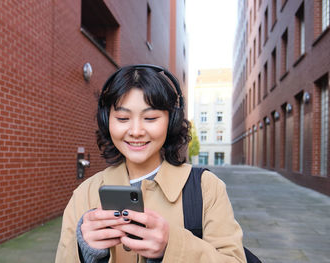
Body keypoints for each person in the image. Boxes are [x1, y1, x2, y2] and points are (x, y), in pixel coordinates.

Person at [55, 65, 245, 263]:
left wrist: (172, 247)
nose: (136, 131)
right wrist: (86, 252)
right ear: (106, 121)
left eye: (150, 118)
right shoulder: (85, 193)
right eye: (122, 118)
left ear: (171, 121)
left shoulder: (206, 188)